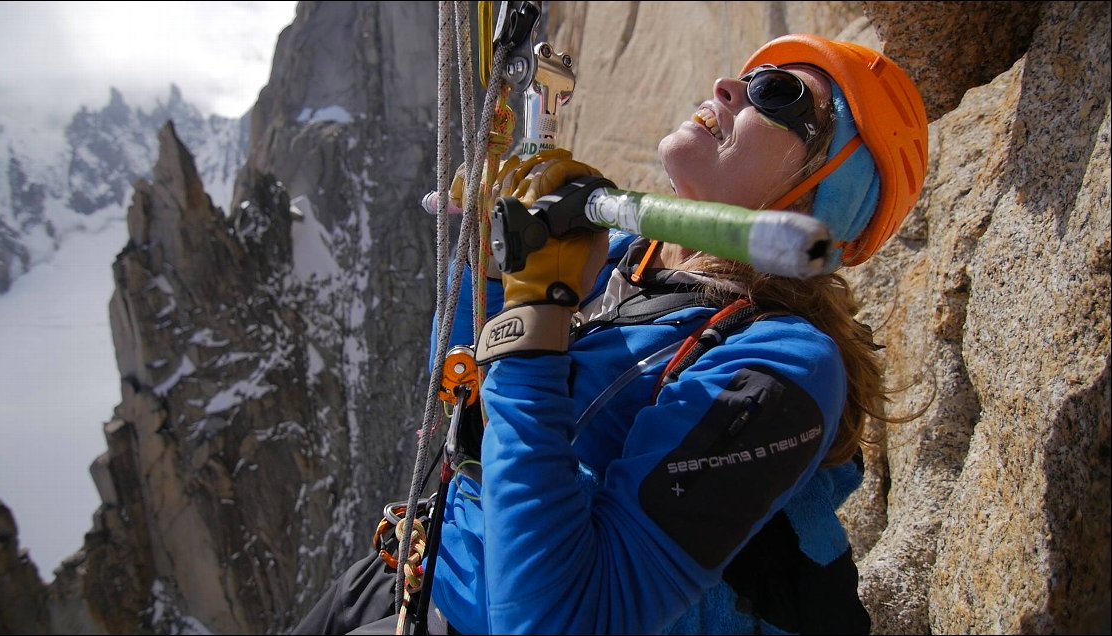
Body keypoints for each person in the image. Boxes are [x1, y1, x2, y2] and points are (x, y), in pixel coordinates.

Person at [293, 32, 928, 635]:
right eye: (751, 74)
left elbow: (555, 623)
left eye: (780, 96)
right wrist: (490, 269)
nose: (729, 85)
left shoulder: (784, 365)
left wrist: (538, 311)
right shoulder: (622, 255)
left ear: (823, 194)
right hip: (415, 569)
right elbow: (460, 388)